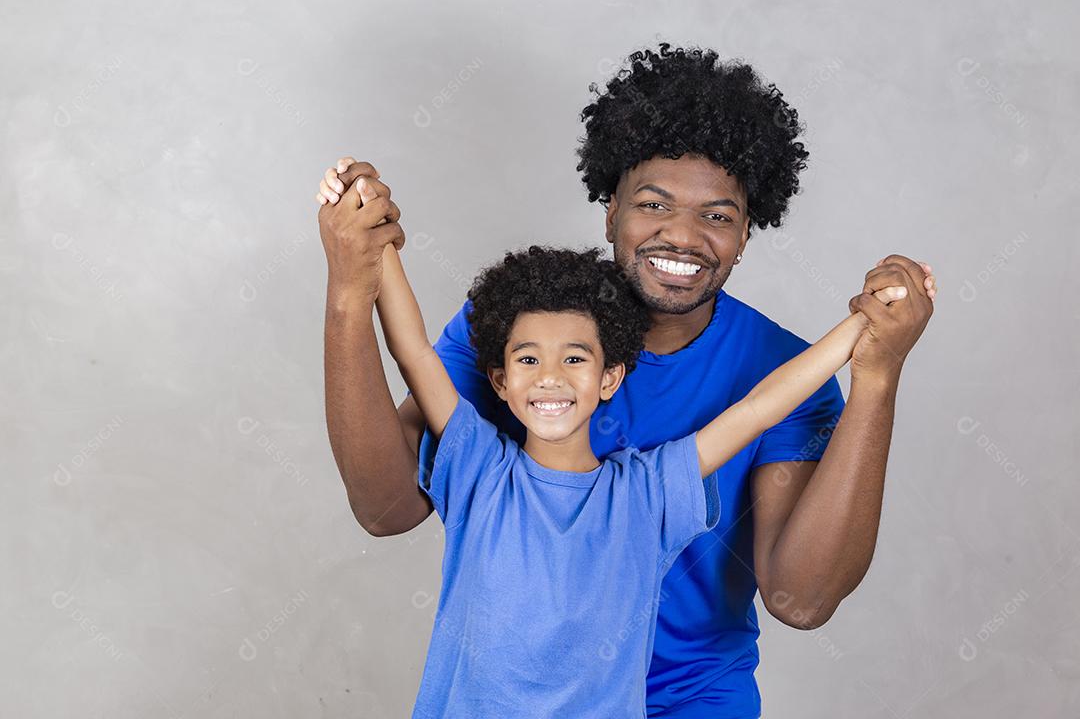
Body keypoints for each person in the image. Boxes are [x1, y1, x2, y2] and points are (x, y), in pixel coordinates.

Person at [316, 43, 936, 718]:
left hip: (691, 701)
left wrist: (875, 372)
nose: (682, 235)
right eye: (653, 204)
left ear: (747, 232)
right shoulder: (517, 331)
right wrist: (357, 277)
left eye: (717, 215)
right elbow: (385, 507)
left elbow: (801, 598)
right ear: (610, 209)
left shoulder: (755, 390)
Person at [365, 229, 906, 716]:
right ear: (501, 382)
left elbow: (759, 408)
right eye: (529, 361)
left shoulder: (648, 493)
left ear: (610, 377)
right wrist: (375, 233)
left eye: (574, 359)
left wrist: (865, 326)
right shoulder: (479, 470)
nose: (550, 378)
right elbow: (411, 350)